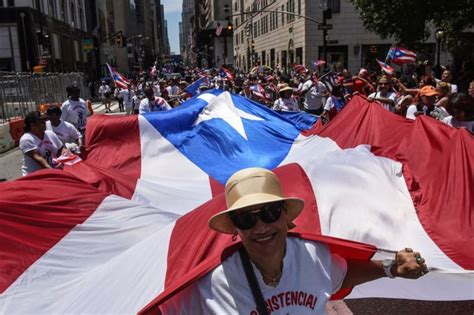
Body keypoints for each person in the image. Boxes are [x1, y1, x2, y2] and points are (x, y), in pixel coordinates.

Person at [161, 167, 428, 314]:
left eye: (270, 212)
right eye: (245, 219)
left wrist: (390, 268)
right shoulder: (212, 283)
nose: (261, 227)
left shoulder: (312, 254)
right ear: (234, 230)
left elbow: (340, 275)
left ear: (287, 217)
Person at [19, 111, 65, 176]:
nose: (45, 123)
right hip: (35, 175)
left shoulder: (50, 133)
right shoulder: (26, 139)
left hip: (52, 170)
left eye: (45, 121)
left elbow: (60, 148)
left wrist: (65, 153)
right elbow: (38, 158)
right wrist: (52, 171)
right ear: (33, 125)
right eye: (41, 122)